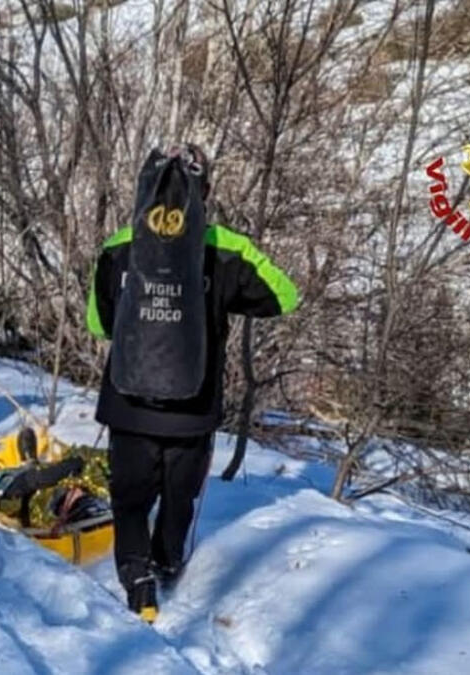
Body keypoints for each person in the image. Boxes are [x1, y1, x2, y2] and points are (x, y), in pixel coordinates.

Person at [86, 144, 299, 623]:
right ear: (206, 191)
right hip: (194, 405)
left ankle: (137, 579)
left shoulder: (120, 244)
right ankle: (167, 562)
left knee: (131, 496)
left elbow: (98, 324)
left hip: (127, 398)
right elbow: (285, 295)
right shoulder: (223, 247)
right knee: (180, 495)